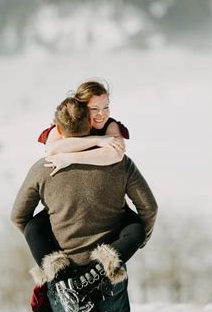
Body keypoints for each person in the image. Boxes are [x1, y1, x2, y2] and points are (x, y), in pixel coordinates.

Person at [11, 96, 158, 312]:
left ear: (60, 129)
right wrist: (137, 240)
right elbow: (148, 209)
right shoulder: (120, 163)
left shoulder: (44, 168)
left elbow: (19, 216)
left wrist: (49, 239)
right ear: (91, 124)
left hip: (65, 276)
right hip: (109, 268)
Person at [24, 79, 142, 271]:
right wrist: (98, 140)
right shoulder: (65, 124)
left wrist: (70, 159)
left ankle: (102, 268)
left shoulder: (111, 126)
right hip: (67, 199)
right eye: (95, 108)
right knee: (34, 228)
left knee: (136, 230)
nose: (102, 113)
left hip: (104, 198)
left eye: (106, 107)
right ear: (81, 107)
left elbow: (115, 154)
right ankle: (56, 273)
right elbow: (52, 148)